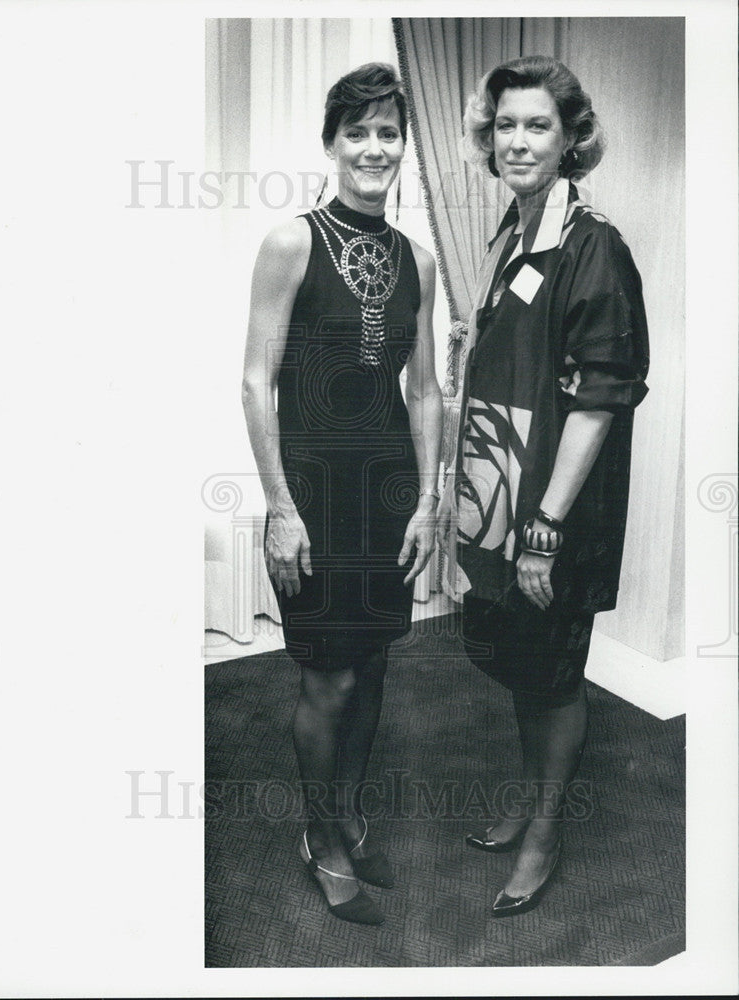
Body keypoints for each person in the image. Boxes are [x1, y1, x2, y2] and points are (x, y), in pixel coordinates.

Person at [438, 55, 649, 917]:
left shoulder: (591, 245)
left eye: (537, 126)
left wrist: (546, 526)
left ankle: (545, 829)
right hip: (503, 500)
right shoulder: (516, 231)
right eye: (504, 127)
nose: (516, 141)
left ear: (570, 141)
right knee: (521, 665)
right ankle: (531, 797)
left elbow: (601, 396)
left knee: (554, 672)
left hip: (551, 513)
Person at [242, 63, 442, 925]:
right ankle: (318, 838)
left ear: (403, 147)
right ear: (331, 143)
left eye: (387, 132)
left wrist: (430, 501)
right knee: (327, 679)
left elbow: (426, 391)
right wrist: (280, 508)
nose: (372, 147)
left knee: (373, 665)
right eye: (356, 131)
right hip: (315, 496)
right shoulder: (293, 242)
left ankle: (350, 818)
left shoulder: (420, 261)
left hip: (389, 492)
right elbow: (255, 382)